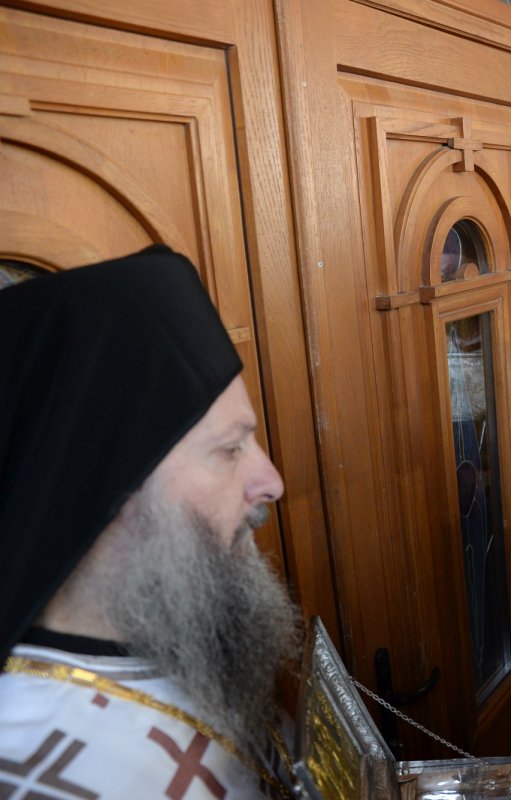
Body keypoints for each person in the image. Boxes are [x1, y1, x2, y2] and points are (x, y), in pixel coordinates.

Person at [0, 247, 301, 798]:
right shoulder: (29, 776)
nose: (272, 481)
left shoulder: (174, 626)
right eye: (231, 449)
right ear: (106, 489)